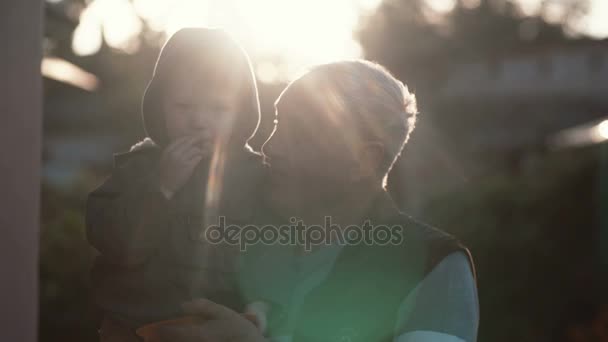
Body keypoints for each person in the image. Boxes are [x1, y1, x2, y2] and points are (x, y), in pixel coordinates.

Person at [163, 60, 479, 342]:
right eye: (276, 123)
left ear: (364, 161)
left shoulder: (434, 266)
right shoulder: (237, 246)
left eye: (299, 132)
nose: (270, 149)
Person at [85, 27, 263, 341]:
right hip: (133, 330)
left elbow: (284, 250)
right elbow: (115, 242)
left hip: (221, 331)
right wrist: (162, 186)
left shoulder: (257, 177)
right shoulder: (138, 168)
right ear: (160, 107)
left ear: (242, 113)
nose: (199, 120)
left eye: (218, 109)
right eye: (184, 107)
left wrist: (263, 308)